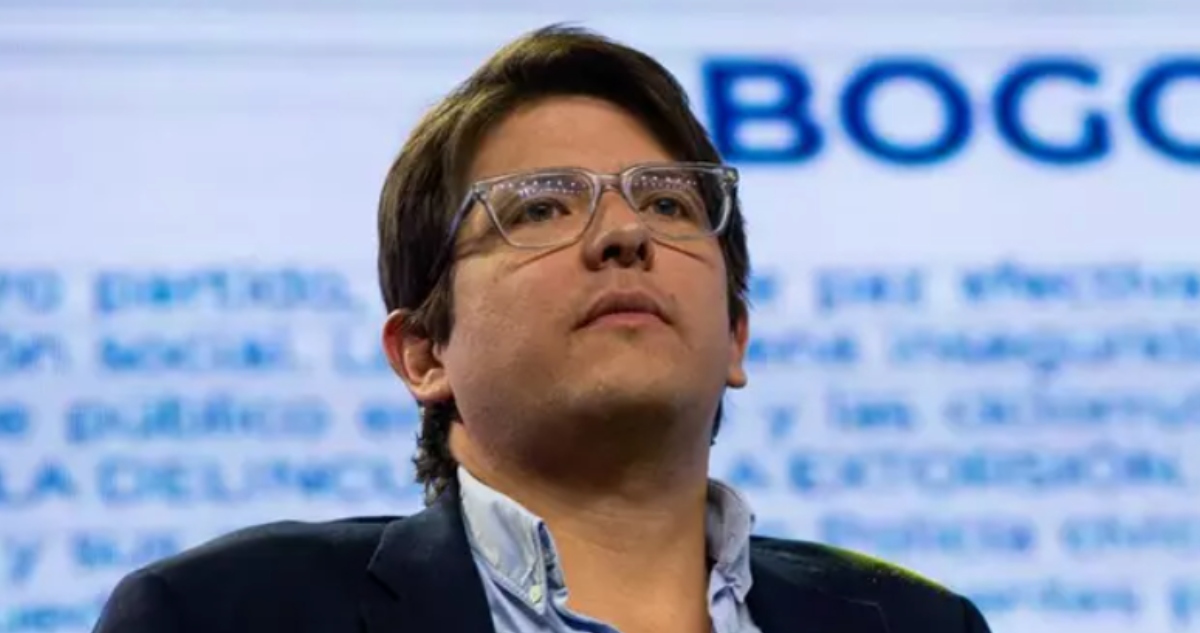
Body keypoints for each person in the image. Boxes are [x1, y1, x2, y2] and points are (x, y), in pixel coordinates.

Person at [92, 24, 992, 633]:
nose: (625, 235)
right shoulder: (225, 613)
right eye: (540, 208)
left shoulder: (919, 623)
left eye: (670, 204)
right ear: (424, 353)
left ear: (736, 336)